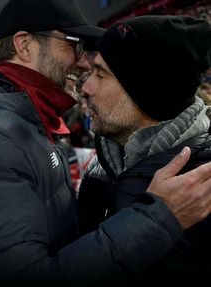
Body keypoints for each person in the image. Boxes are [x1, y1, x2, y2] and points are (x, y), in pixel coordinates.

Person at [0, 0, 211, 285]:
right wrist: (158, 218)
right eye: (73, 43)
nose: (82, 63)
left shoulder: (39, 127)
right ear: (24, 46)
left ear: (144, 91)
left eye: (101, 73)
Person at [78, 15, 211, 284]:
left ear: (148, 92)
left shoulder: (202, 182)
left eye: (101, 74)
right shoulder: (104, 161)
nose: (86, 87)